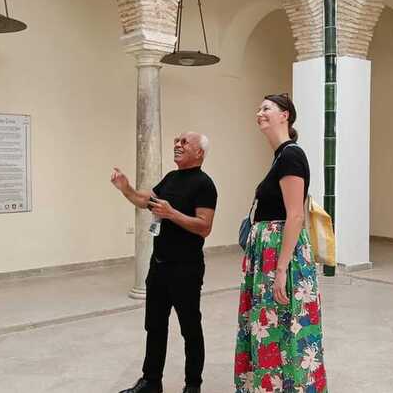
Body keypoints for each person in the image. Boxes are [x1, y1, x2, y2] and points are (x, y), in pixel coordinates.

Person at [234, 94, 328, 392]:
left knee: (284, 325)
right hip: (268, 253)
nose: (259, 113)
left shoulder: (290, 156)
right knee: (273, 324)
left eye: (266, 108)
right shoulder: (280, 156)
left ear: (285, 115)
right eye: (258, 108)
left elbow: (295, 214)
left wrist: (282, 269)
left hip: (279, 253)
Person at [112, 131, 218, 393]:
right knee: (155, 326)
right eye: (176, 141)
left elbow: (204, 227)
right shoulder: (171, 178)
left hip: (186, 268)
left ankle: (193, 385)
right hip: (159, 266)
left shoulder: (204, 185)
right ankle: (151, 381)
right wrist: (126, 188)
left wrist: (171, 214)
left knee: (190, 328)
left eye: (184, 142)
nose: (177, 145)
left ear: (199, 152)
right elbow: (145, 200)